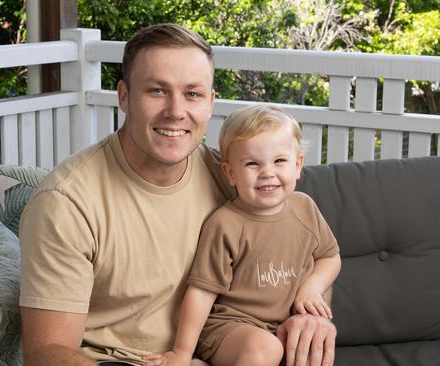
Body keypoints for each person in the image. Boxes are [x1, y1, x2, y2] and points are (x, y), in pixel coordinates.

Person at [19, 23, 337, 366]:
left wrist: (312, 314)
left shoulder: (231, 177)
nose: (175, 111)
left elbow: (302, 255)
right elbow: (47, 353)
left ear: (211, 102)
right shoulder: (66, 202)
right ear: (124, 97)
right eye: (157, 91)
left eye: (192, 94)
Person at [143, 105, 341, 366]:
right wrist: (181, 352)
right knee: (266, 348)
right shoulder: (225, 223)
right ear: (231, 173)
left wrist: (311, 288)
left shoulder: (305, 208)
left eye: (279, 161)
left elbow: (330, 256)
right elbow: (201, 292)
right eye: (252, 164)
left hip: (282, 326)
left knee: (306, 348)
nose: (267, 172)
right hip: (229, 328)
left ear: (298, 165)